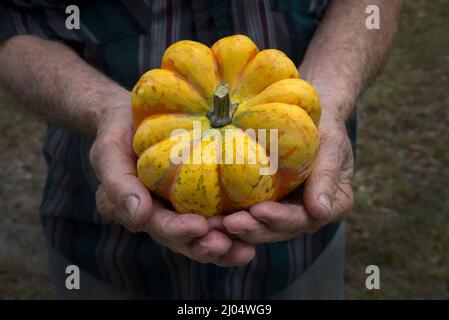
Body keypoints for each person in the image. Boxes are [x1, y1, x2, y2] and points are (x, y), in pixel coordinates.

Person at [0, 0, 403, 299]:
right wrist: (107, 110)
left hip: (298, 254)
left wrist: (329, 98)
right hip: (103, 245)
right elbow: (13, 20)